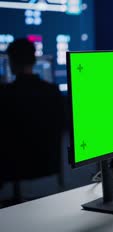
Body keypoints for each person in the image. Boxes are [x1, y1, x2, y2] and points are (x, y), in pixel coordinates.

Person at [0, 38, 65, 188]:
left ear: (10, 62)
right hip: (48, 163)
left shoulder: (5, 95)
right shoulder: (53, 92)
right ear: (34, 60)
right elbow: (62, 126)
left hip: (13, 167)